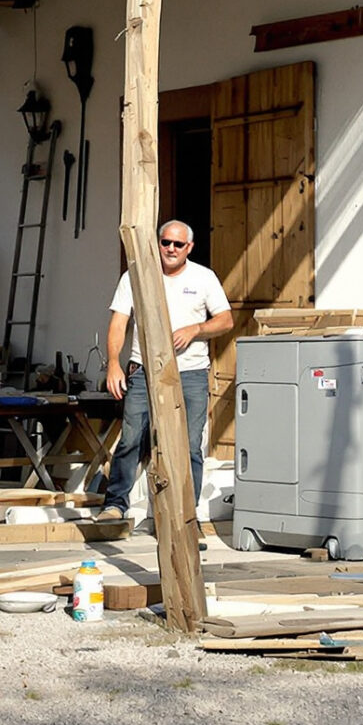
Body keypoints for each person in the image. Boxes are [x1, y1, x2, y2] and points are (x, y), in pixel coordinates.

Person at [97, 219, 231, 524]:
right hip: (144, 370)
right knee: (131, 438)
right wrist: (114, 363)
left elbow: (226, 320)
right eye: (165, 242)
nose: (171, 249)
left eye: (178, 244)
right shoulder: (136, 275)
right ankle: (115, 505)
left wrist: (196, 329)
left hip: (191, 372)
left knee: (190, 445)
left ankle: (187, 518)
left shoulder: (203, 277)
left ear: (189, 248)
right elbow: (119, 322)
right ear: (158, 243)